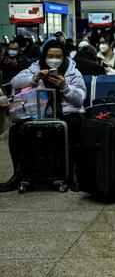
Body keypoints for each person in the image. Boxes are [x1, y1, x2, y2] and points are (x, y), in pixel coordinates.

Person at [3, 40, 86, 192]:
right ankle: (19, 174)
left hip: (66, 112)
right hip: (37, 113)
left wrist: (64, 87)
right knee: (15, 131)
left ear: (64, 57)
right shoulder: (35, 67)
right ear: (44, 56)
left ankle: (73, 174)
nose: (54, 60)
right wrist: (35, 78)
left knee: (75, 126)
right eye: (50, 56)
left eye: (58, 56)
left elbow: (80, 99)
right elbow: (15, 83)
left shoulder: (73, 72)